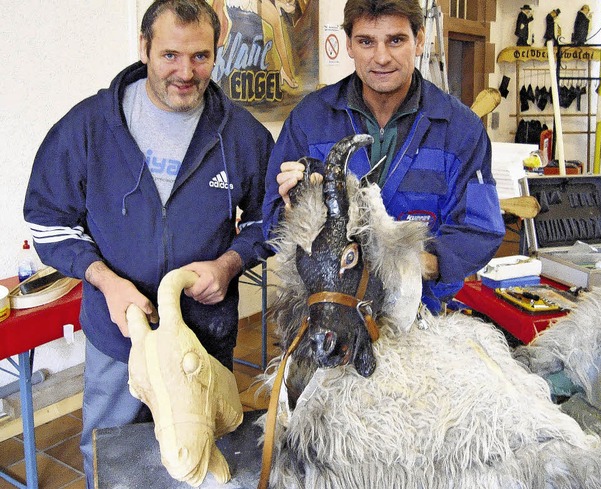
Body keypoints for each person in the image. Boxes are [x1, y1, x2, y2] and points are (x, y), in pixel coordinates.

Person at [23, 0, 274, 486]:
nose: (186, 72)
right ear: (144, 48)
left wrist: (229, 263)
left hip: (203, 339)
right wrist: (106, 281)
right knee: (113, 457)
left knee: (200, 462)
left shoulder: (240, 135)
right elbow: (48, 220)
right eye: (170, 55)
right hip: (120, 338)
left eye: (200, 56)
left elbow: (275, 219)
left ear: (216, 53)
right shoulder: (89, 128)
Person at [262, 0, 505, 315]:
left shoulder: (461, 130)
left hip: (421, 310)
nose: (381, 57)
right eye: (366, 42)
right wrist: (294, 212)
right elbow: (272, 221)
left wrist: (412, 266)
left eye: (396, 40)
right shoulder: (309, 120)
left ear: (419, 40)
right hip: (331, 314)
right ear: (349, 44)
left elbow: (479, 229)